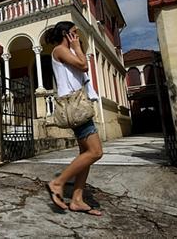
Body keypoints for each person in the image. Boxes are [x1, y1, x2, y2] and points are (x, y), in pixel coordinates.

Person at [44, 21, 103, 216]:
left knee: (85, 154)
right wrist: (77, 48)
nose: (76, 37)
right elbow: (83, 66)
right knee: (95, 152)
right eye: (74, 33)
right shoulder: (60, 50)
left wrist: (77, 48)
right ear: (65, 34)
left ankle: (77, 200)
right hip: (75, 107)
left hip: (77, 105)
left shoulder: (64, 51)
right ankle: (57, 182)